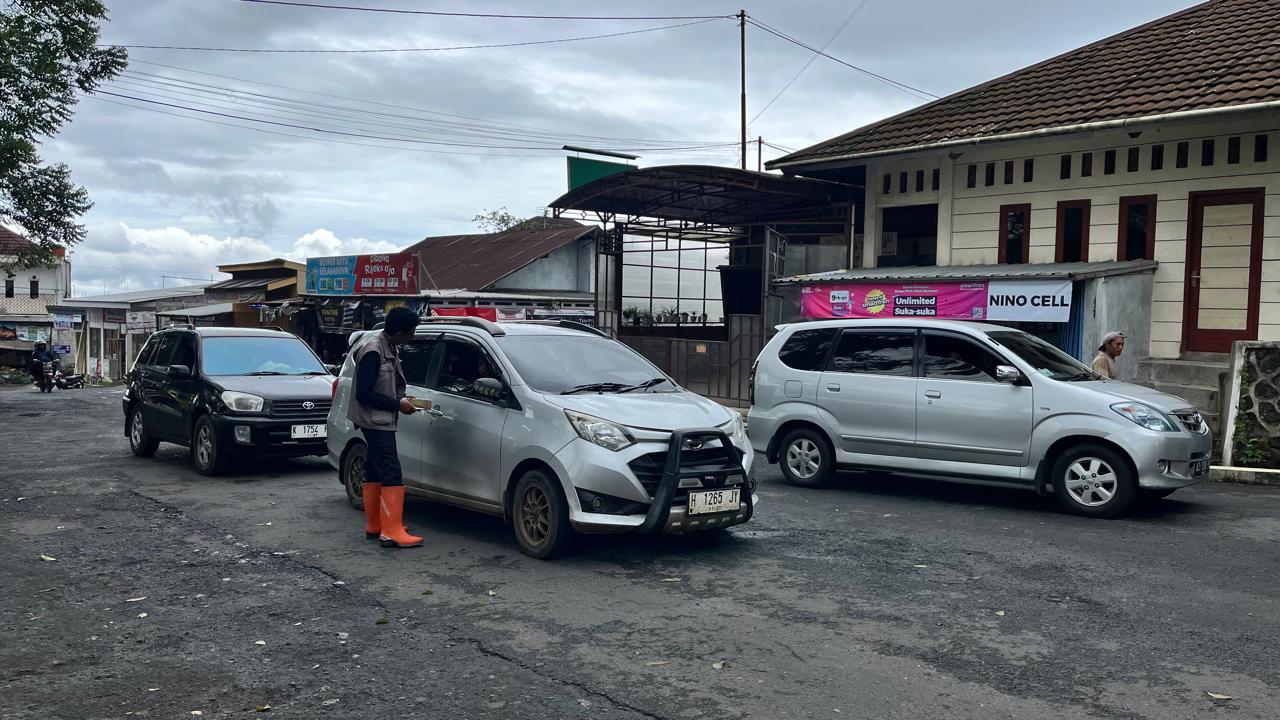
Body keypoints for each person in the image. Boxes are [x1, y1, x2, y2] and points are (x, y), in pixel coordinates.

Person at [347, 307, 422, 548]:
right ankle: (391, 530)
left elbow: (382, 386)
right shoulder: (373, 351)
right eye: (410, 334)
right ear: (399, 333)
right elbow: (364, 393)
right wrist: (397, 404)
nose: (411, 338)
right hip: (375, 421)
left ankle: (377, 525)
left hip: (379, 419)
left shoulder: (389, 347)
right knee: (391, 471)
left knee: (375, 468)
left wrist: (399, 399)